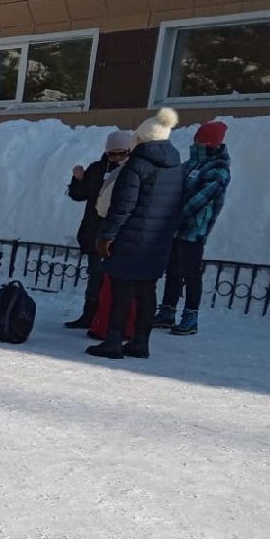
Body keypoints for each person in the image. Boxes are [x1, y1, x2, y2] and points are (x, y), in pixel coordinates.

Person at [87, 107, 184, 360]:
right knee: (147, 291)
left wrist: (106, 236)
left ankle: (114, 341)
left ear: (142, 137)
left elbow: (123, 206)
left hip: (131, 239)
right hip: (158, 240)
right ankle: (141, 342)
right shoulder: (176, 165)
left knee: (122, 290)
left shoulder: (137, 166)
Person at [155, 121, 231, 337]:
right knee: (173, 269)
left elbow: (201, 199)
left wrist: (176, 214)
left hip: (194, 228)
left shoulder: (218, 169)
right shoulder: (192, 164)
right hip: (175, 226)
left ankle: (190, 316)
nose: (194, 141)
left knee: (191, 273)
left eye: (199, 138)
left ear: (208, 142)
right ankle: (167, 311)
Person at [62, 129, 135, 328]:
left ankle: (111, 318)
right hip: (95, 232)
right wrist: (77, 179)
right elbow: (79, 194)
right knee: (95, 275)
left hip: (119, 233)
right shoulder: (97, 168)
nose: (118, 157)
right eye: (114, 153)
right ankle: (90, 314)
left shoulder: (133, 170)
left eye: (123, 153)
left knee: (116, 279)